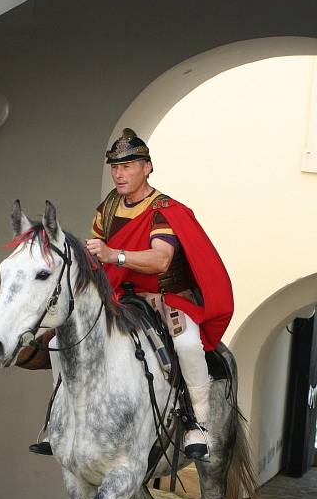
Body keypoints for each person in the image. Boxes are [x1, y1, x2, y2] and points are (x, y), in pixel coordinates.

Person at [29, 128, 234, 461]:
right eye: (115, 167)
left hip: (166, 298)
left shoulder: (164, 210)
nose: (119, 173)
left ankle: (198, 422)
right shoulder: (109, 206)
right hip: (120, 296)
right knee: (56, 342)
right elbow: (96, 249)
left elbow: (161, 259)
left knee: (185, 344)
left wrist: (115, 255)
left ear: (147, 167)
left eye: (128, 165)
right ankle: (61, 420)